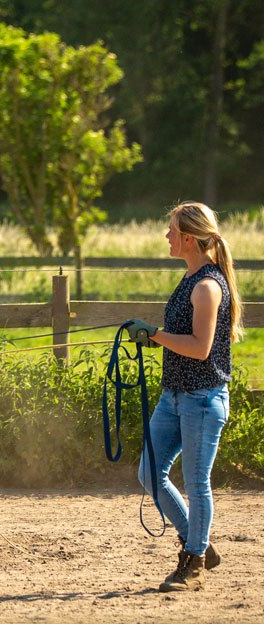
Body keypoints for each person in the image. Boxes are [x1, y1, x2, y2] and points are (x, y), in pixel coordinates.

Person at [127, 201, 243, 593]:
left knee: (197, 482)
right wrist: (153, 336)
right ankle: (200, 541)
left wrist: (155, 335)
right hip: (173, 397)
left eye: (172, 230)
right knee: (149, 472)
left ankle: (192, 561)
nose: (167, 236)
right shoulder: (191, 278)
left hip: (202, 399)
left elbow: (200, 348)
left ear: (189, 239)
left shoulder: (208, 286)